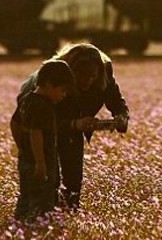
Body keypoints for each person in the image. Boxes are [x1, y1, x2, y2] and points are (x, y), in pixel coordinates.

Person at [15, 43, 129, 210]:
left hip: (73, 127)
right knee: (47, 175)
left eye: (92, 76)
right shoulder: (52, 81)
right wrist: (74, 124)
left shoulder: (104, 72)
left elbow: (116, 101)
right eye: (81, 76)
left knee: (73, 177)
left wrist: (121, 117)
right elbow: (39, 123)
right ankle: (41, 213)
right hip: (42, 129)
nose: (87, 81)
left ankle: (67, 210)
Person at [11, 59, 75, 220]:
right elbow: (36, 133)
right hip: (43, 162)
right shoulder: (43, 106)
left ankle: (19, 223)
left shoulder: (26, 100)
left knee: (26, 196)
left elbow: (14, 124)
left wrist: (22, 147)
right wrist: (40, 162)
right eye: (62, 90)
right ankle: (35, 229)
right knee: (43, 200)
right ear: (48, 84)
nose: (64, 95)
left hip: (25, 159)